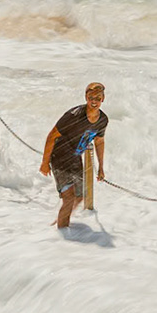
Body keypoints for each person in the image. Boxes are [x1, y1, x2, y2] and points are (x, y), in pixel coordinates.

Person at [40, 81, 108, 229]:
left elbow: (99, 142)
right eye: (91, 97)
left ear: (103, 98)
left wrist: (101, 167)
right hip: (59, 157)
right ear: (86, 97)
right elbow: (51, 136)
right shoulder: (73, 115)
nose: (94, 101)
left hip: (76, 158)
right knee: (69, 198)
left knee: (79, 196)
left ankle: (59, 222)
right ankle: (62, 233)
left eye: (98, 98)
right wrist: (45, 163)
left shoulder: (103, 120)